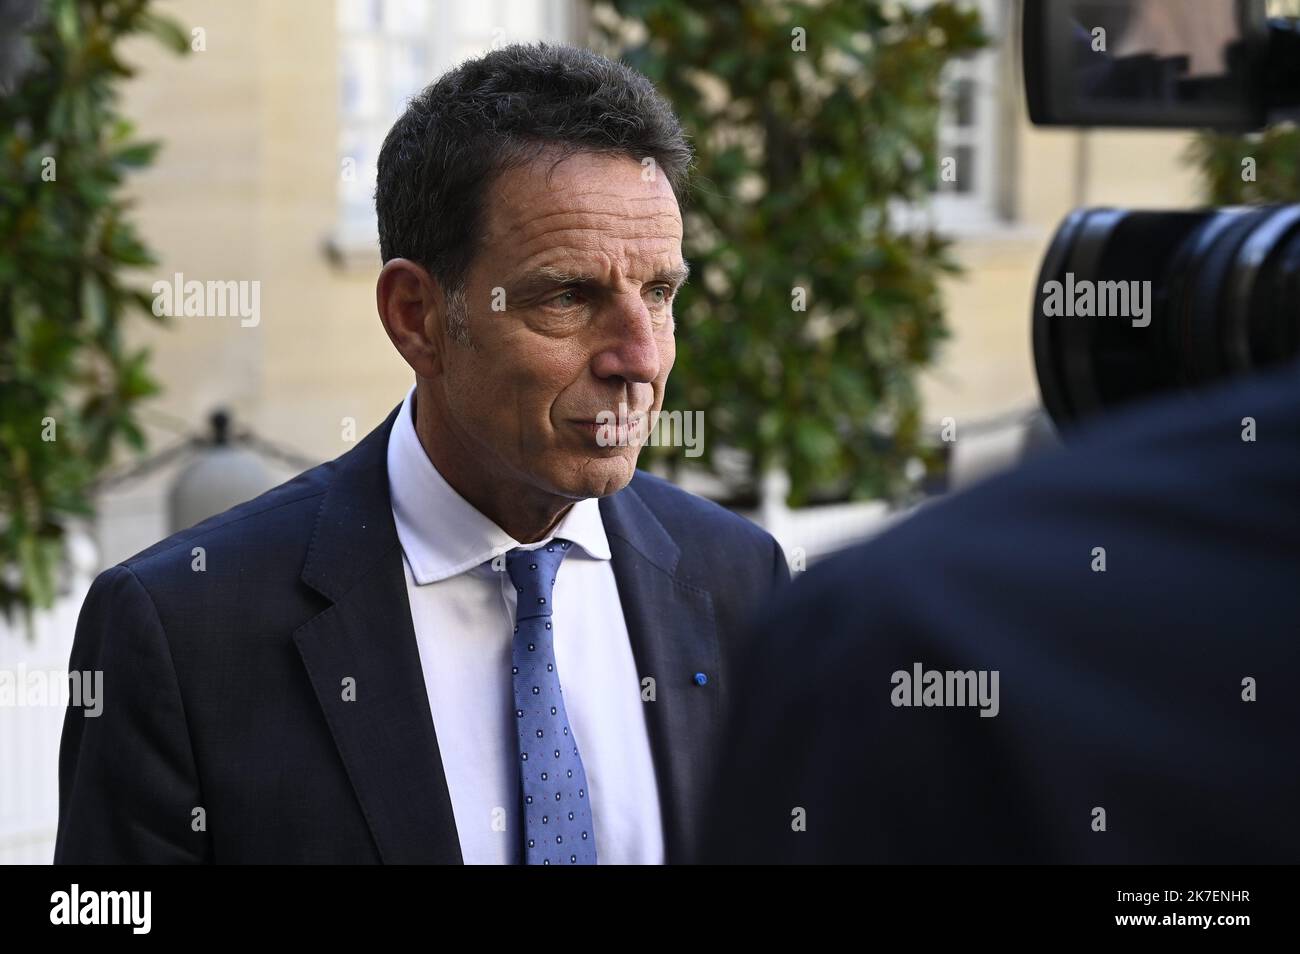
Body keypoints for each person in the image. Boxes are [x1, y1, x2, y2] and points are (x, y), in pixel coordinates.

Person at [55, 42, 787, 865]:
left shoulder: (739, 580)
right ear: (417, 317)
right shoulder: (185, 631)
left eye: (659, 294)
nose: (641, 359)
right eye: (569, 296)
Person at [697, 359, 1300, 864]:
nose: (641, 357)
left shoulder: (860, 614)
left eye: (662, 293)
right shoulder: (881, 623)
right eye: (593, 293)